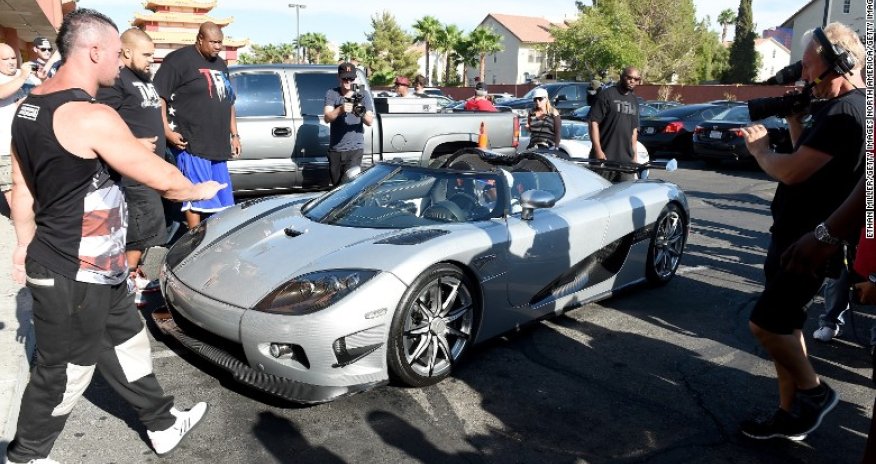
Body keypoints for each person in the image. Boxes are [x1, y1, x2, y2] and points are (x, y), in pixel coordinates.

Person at [6, 9, 222, 463]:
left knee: (127, 342)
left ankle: (162, 424)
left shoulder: (30, 107)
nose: (121, 66)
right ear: (95, 50)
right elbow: (161, 177)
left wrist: (24, 246)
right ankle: (26, 455)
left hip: (97, 267)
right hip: (73, 270)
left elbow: (23, 188)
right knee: (64, 370)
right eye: (116, 57)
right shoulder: (87, 114)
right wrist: (199, 189)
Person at [738, 22, 866, 441]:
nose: (804, 76)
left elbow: (791, 172)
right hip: (795, 234)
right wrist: (795, 121)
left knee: (765, 325)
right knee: (786, 328)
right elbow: (808, 165)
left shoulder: (846, 112)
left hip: (809, 243)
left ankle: (815, 394)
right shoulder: (835, 109)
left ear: (841, 65)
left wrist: (760, 151)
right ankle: (789, 413)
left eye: (810, 67)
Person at [96, 28, 167, 293]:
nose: (152, 59)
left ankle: (131, 276)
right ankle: (124, 284)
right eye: (147, 54)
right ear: (126, 51)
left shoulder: (143, 77)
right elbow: (100, 121)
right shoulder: (117, 80)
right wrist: (132, 144)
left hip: (150, 168)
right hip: (132, 170)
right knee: (140, 229)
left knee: (147, 227)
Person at [153, 21, 240, 230]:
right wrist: (167, 131)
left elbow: (228, 101)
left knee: (220, 197)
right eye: (213, 42)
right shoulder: (178, 60)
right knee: (195, 195)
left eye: (221, 43)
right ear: (200, 39)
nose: (218, 47)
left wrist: (235, 135)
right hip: (192, 142)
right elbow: (159, 96)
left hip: (218, 145)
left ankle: (214, 240)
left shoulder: (220, 64)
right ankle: (194, 240)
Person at [323, 61, 375, 187]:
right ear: (339, 77)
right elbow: (327, 117)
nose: (347, 81)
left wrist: (359, 111)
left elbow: (369, 121)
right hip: (336, 149)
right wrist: (340, 109)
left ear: (355, 78)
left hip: (355, 149)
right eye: (344, 78)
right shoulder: (332, 93)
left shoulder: (361, 93)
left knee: (351, 185)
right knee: (337, 187)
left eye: (351, 78)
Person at [588, 66, 641, 182]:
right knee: (600, 197)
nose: (632, 81)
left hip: (626, 162)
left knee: (624, 197)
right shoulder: (606, 95)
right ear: (622, 77)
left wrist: (635, 156)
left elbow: (634, 131)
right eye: (629, 78)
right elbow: (593, 122)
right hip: (604, 159)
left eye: (636, 79)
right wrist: (598, 150)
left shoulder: (634, 101)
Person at [0, 43, 32, 216]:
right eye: (6, 59)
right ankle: (20, 219)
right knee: (9, 184)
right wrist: (23, 76)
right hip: (4, 144)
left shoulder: (24, 74)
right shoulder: (22, 76)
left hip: (28, 141)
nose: (12, 62)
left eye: (14, 57)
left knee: (30, 180)